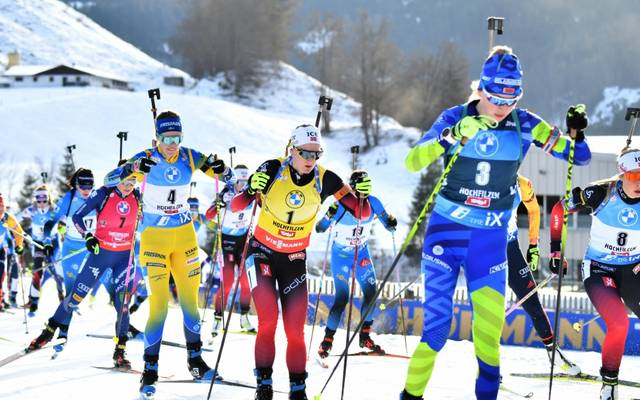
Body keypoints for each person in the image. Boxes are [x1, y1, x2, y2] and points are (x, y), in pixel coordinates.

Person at [400, 46, 591, 400]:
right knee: (436, 333)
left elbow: (579, 157)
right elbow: (412, 161)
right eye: (496, 96)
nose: (503, 106)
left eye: (512, 97)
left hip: (488, 245)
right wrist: (454, 134)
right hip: (446, 235)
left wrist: (578, 132)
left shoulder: (526, 124)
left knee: (488, 341)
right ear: (482, 89)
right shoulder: (455, 116)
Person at [231, 124, 373, 400]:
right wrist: (250, 190)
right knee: (268, 321)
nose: (310, 160)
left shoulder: (326, 179)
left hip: (294, 258)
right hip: (261, 253)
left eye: (315, 154)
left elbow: (361, 212)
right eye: (304, 153)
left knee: (295, 330)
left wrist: (362, 194)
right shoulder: (272, 169)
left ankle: (298, 390)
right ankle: (264, 385)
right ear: (291, 150)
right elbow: (237, 206)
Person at [104, 110, 233, 398]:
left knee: (190, 302)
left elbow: (228, 178)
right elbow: (109, 180)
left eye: (176, 137)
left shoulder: (189, 156)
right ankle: (150, 369)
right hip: (154, 241)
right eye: (166, 138)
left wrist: (223, 170)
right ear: (157, 137)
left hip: (185, 237)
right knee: (159, 304)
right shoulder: (146, 158)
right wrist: (132, 167)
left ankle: (196, 362)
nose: (172, 144)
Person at [548, 147, 640, 400]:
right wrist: (556, 252)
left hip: (633, 269)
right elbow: (558, 210)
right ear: (621, 175)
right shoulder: (599, 194)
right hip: (600, 269)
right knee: (619, 323)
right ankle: (609, 385)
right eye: (634, 176)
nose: (639, 182)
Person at [28, 176, 141, 369]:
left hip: (124, 258)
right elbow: (77, 217)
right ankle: (48, 331)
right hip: (101, 254)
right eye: (125, 183)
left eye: (132, 183)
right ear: (116, 180)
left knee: (123, 304)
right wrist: (88, 236)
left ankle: (120, 351)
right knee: (74, 298)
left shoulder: (138, 196)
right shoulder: (104, 193)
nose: (129, 187)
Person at [315, 170, 397, 358]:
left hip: (362, 255)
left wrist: (392, 222)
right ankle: (327, 341)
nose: (361, 196)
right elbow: (320, 229)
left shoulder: (373, 202)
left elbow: (388, 223)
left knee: (371, 293)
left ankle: (364, 336)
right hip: (341, 256)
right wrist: (329, 216)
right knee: (342, 298)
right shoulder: (341, 206)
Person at [507, 175, 579, 372]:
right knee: (489, 304)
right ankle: (487, 365)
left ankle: (554, 355)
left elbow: (534, 210)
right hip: (483, 250)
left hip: (510, 249)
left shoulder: (522, 183)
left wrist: (533, 244)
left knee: (532, 300)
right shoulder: (479, 175)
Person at [206, 164, 256, 336]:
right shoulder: (225, 192)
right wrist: (220, 203)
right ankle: (218, 319)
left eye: (246, 181)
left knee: (246, 282)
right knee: (226, 284)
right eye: (240, 181)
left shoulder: (252, 193)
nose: (243, 185)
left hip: (244, 242)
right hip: (226, 243)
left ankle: (244, 317)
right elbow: (209, 216)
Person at [44, 168, 96, 296]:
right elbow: (51, 222)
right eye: (82, 187)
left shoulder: (96, 196)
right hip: (72, 246)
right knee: (71, 289)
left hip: (91, 247)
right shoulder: (69, 197)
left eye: (89, 187)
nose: (86, 191)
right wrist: (47, 242)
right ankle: (67, 305)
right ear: (76, 184)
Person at [18, 185, 62, 315]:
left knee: (56, 271)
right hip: (38, 243)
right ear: (35, 199)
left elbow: (66, 220)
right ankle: (34, 301)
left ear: (49, 199)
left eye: (44, 200)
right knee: (37, 270)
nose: (41, 204)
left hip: (53, 243)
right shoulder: (31, 210)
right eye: (39, 200)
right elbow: (16, 220)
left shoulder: (55, 210)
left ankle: (63, 298)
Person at [0, 194, 25, 311]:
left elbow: (19, 232)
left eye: (2, 207)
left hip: (3, 250)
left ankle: (6, 299)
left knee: (4, 273)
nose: (0, 210)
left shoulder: (7, 218)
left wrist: (19, 245)